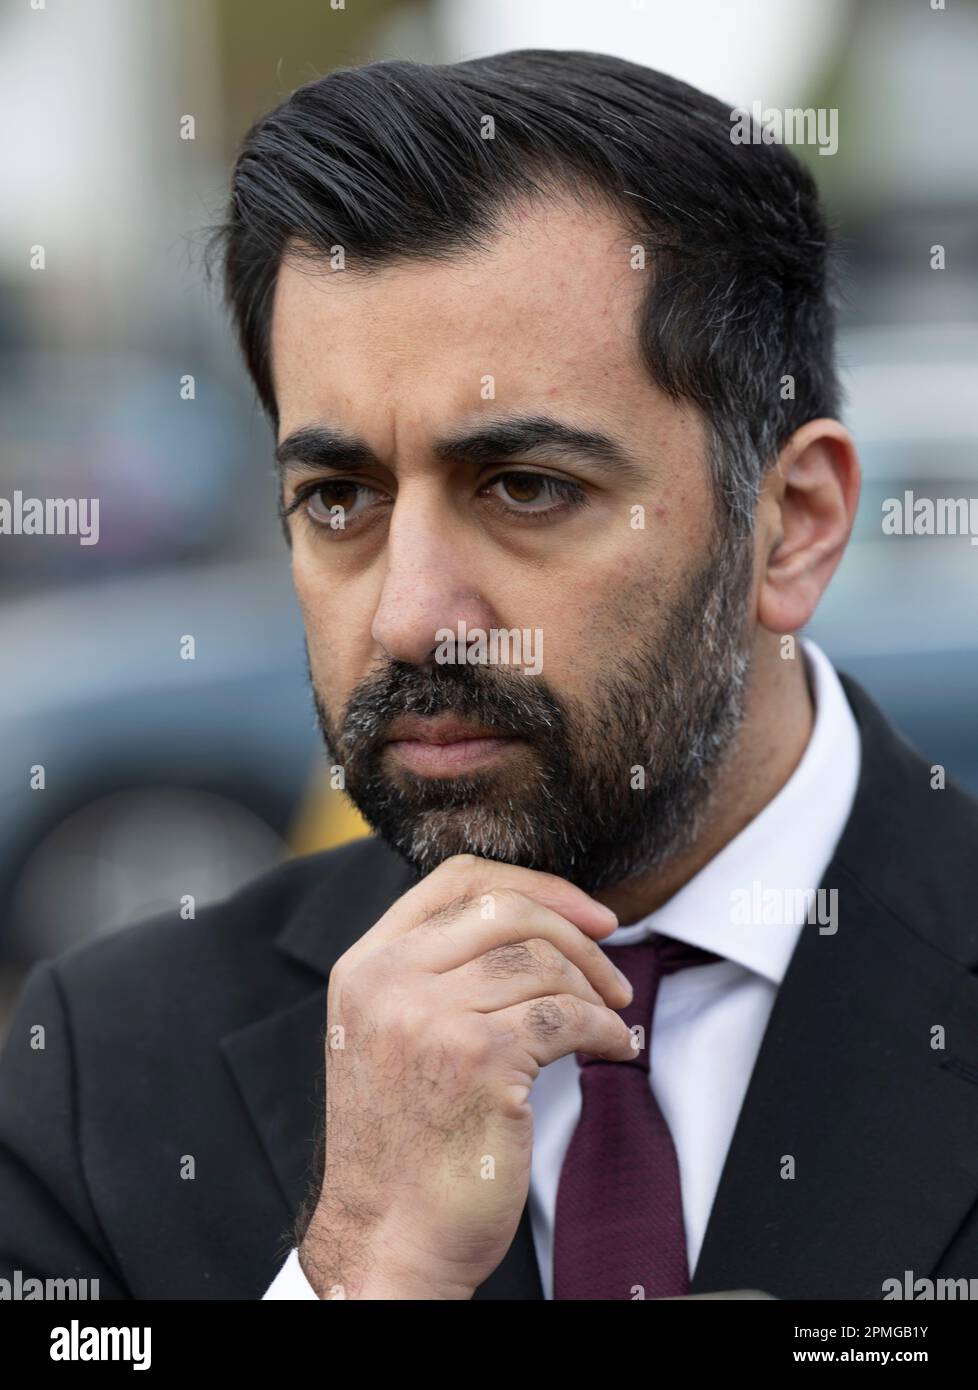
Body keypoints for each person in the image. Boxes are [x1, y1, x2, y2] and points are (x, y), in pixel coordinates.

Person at [3, 50, 978, 1302]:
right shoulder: (111, 1064)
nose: (412, 618)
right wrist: (360, 1270)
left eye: (526, 488)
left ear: (789, 525)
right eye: (339, 497)